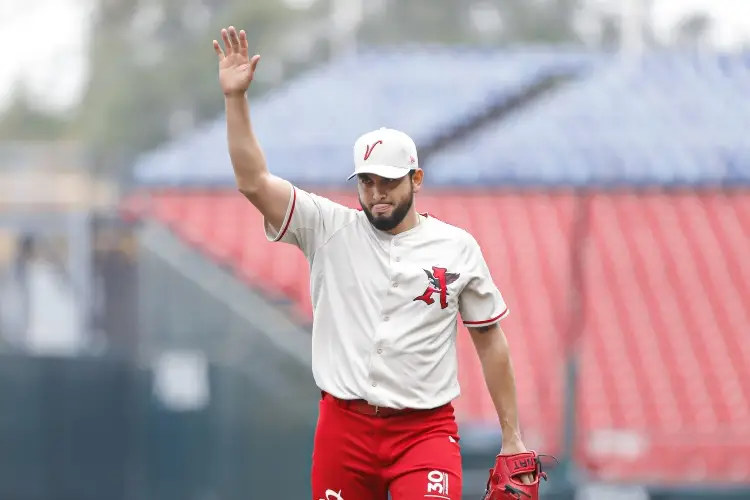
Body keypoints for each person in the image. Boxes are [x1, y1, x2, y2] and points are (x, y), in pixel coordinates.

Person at [213, 26, 533, 500]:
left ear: (416, 178)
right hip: (345, 428)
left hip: (423, 431)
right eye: (367, 181)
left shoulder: (457, 247)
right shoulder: (326, 227)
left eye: (388, 181)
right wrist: (236, 100)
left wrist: (513, 439)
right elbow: (253, 180)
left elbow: (490, 341)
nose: (377, 193)